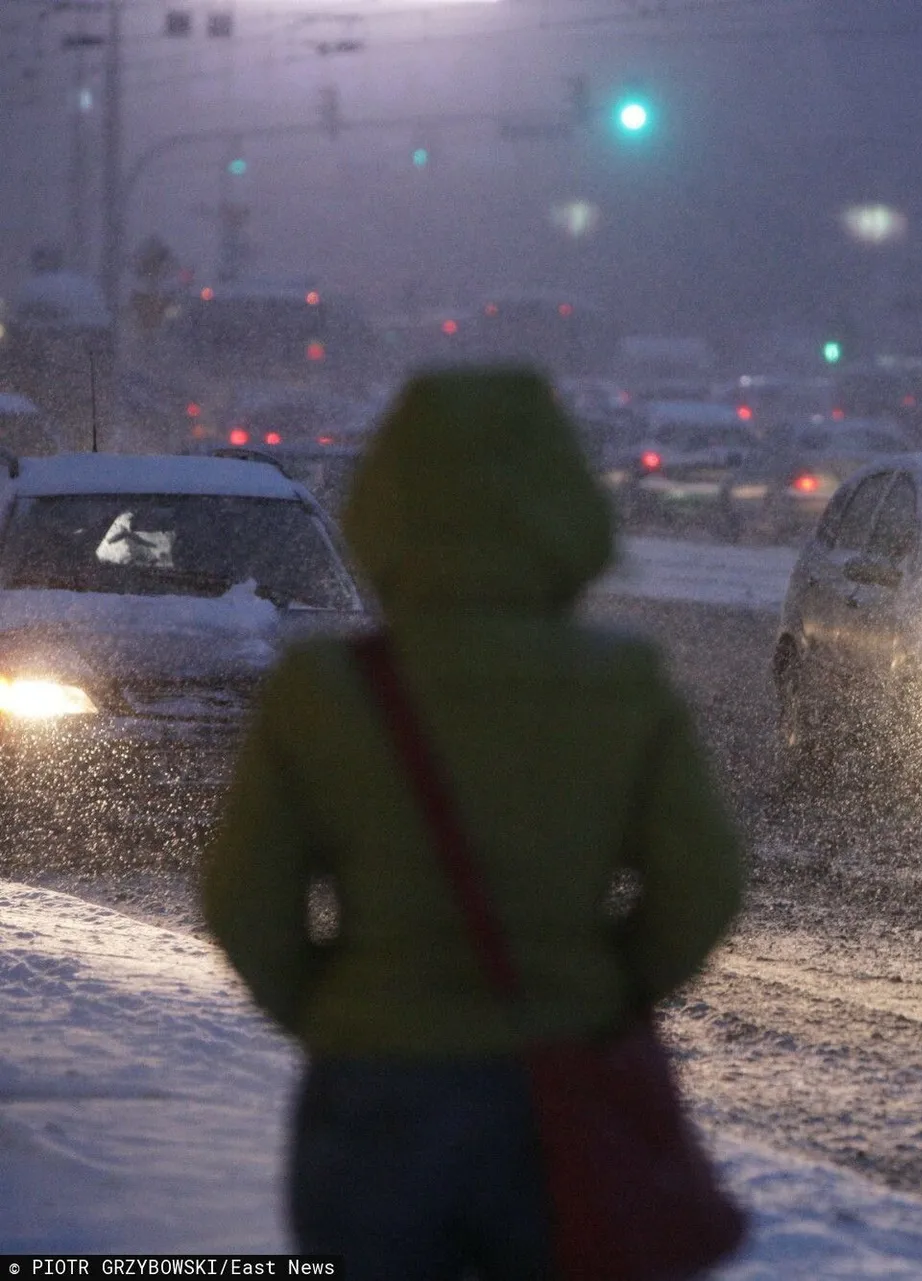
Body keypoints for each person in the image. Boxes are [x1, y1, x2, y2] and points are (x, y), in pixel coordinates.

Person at [203, 367, 745, 1278]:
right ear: (565, 502)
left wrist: (336, 1008)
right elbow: (703, 883)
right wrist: (603, 994)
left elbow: (242, 898)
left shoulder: (323, 692)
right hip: (557, 1087)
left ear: (385, 504)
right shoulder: (623, 684)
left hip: (375, 1091)